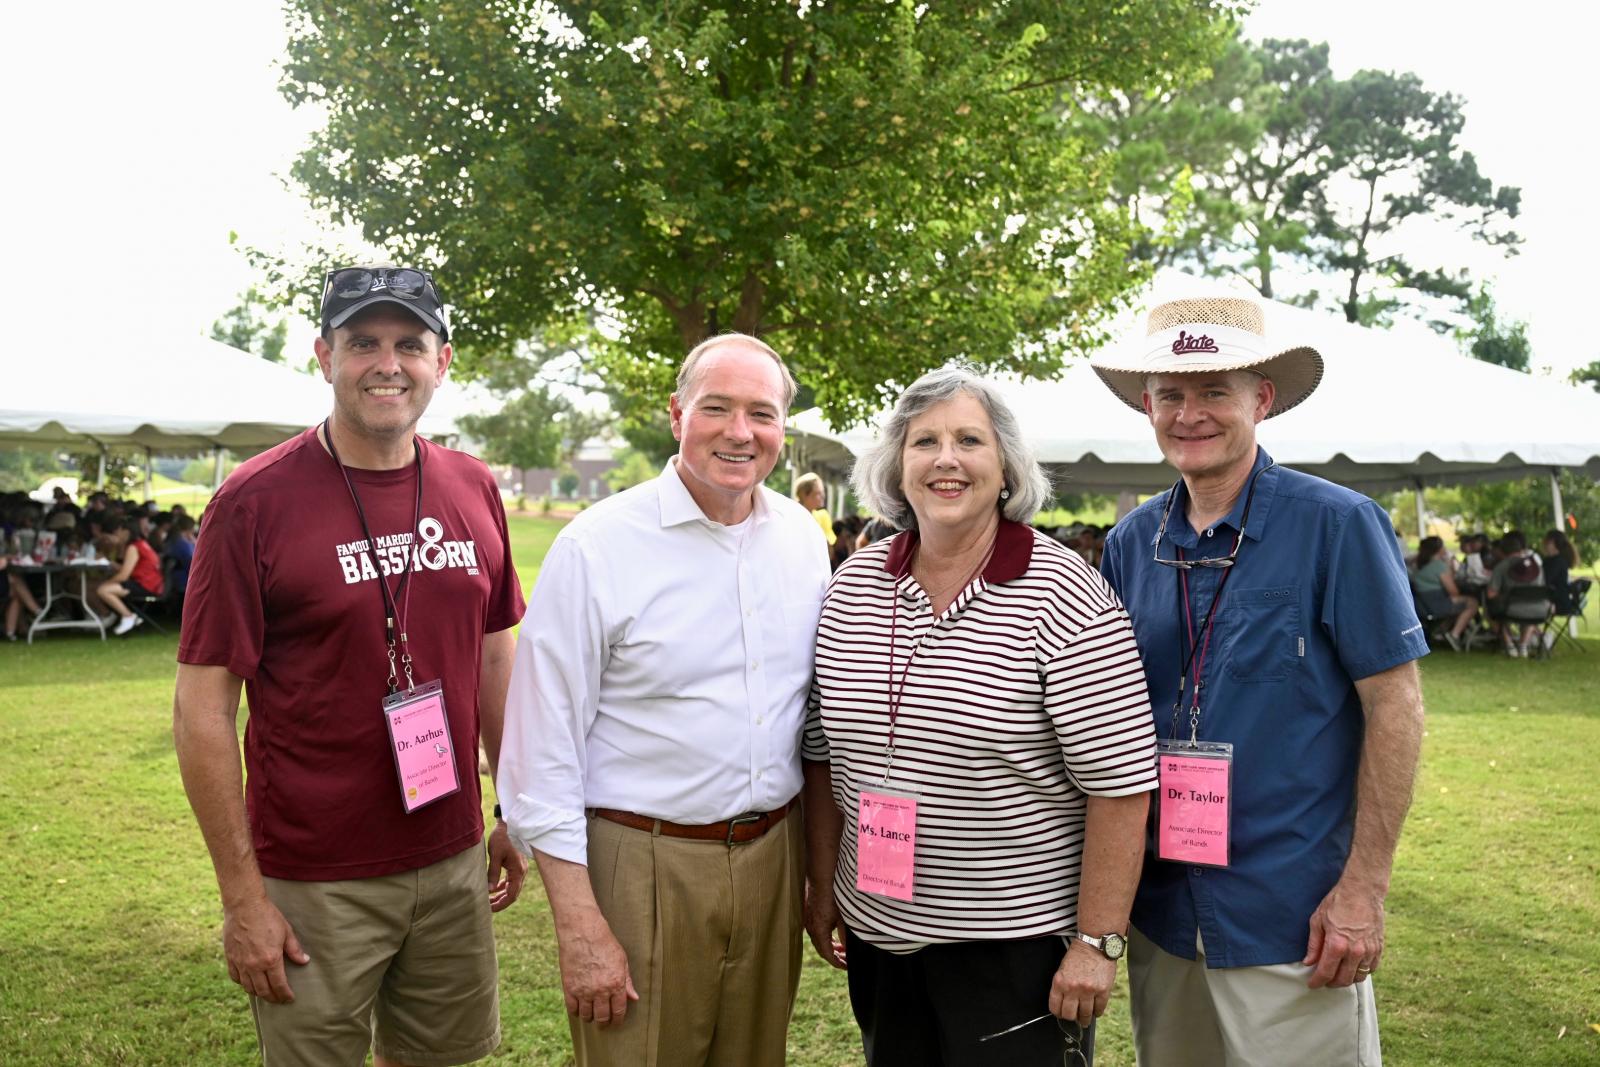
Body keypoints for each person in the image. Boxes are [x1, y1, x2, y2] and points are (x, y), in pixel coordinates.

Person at [172, 264, 528, 1067]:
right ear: (322, 354)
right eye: (362, 341)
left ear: (444, 361)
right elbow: (201, 708)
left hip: (449, 853)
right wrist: (242, 898)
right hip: (313, 876)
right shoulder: (253, 502)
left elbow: (496, 652)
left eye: (410, 343)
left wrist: (517, 805)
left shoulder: (472, 487)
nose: (387, 363)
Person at [1091, 296, 1428, 1067]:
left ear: (1262, 399)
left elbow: (1397, 709)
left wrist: (1364, 890)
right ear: (1148, 404)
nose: (1190, 412)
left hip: (1294, 912)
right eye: (1171, 393)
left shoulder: (1338, 524)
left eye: (1215, 390)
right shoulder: (1130, 542)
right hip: (1162, 911)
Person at [802, 365, 1157, 1066]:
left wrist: (1097, 941)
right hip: (880, 936)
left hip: (1016, 952)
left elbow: (1119, 784)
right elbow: (821, 754)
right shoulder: (852, 588)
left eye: (970, 439)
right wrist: (821, 884)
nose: (946, 459)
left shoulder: (1066, 594)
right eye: (924, 441)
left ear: (1006, 469)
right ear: (897, 468)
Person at [498, 333, 830, 1067]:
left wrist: (814, 870)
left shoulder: (803, 542)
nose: (739, 432)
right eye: (717, 408)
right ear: (677, 413)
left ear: (783, 428)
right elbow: (539, 750)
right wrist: (580, 924)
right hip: (641, 863)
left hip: (773, 856)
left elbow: (811, 722)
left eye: (762, 413)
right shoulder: (598, 547)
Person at [97, 514, 164, 635]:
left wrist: (107, 583)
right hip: (152, 583)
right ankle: (129, 617)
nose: (117, 534)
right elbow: (129, 569)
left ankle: (128, 616)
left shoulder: (133, 548)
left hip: (145, 585)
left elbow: (124, 575)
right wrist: (111, 563)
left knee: (103, 590)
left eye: (118, 531)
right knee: (105, 587)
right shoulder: (142, 543)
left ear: (126, 531)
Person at [1486, 530, 1546, 657]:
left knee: (1491, 609)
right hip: (1538, 610)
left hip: (1511, 609)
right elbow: (1541, 590)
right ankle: (1523, 645)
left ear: (1502, 551)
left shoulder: (1501, 567)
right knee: (1529, 608)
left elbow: (1491, 594)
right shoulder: (1536, 567)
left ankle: (1510, 645)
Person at [1412, 535, 1477, 650]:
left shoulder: (1418, 565)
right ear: (1439, 549)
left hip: (1424, 605)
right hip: (1437, 605)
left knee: (1460, 603)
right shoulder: (1439, 566)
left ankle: (1441, 631)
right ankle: (1454, 634)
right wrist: (1450, 568)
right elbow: (1453, 591)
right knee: (1472, 602)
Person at [1541, 530, 1578, 616]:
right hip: (1553, 601)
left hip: (1559, 603)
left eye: (1546, 542)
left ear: (1552, 542)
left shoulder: (1557, 561)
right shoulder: (1552, 560)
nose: (1544, 544)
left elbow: (1544, 580)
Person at [795, 471, 837, 547]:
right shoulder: (794, 517)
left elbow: (831, 544)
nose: (823, 496)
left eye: (823, 492)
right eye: (818, 493)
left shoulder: (822, 516)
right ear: (804, 494)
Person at [164, 514, 197, 596]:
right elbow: (192, 565)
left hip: (174, 582)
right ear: (190, 528)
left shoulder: (173, 539)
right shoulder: (183, 544)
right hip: (183, 583)